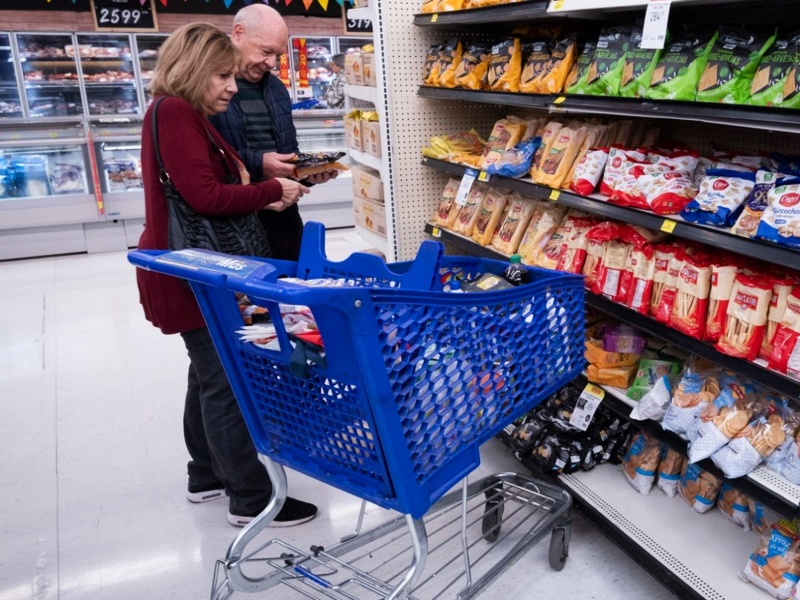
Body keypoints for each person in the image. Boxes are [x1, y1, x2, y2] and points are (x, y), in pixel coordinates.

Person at [135, 22, 318, 528]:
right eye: (222, 76)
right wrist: (270, 191)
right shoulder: (174, 112)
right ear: (194, 69)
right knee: (225, 378)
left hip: (191, 266)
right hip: (196, 270)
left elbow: (208, 182)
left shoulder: (180, 113)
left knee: (205, 373)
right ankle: (249, 497)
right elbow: (204, 197)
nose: (232, 87)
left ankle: (205, 474)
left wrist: (261, 178)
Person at [210, 4, 338, 261]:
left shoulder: (277, 90)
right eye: (266, 51)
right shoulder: (208, 87)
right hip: (232, 226)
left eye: (277, 55)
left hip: (283, 225)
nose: (271, 63)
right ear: (238, 33)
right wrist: (260, 163)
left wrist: (307, 172)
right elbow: (208, 156)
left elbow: (287, 153)